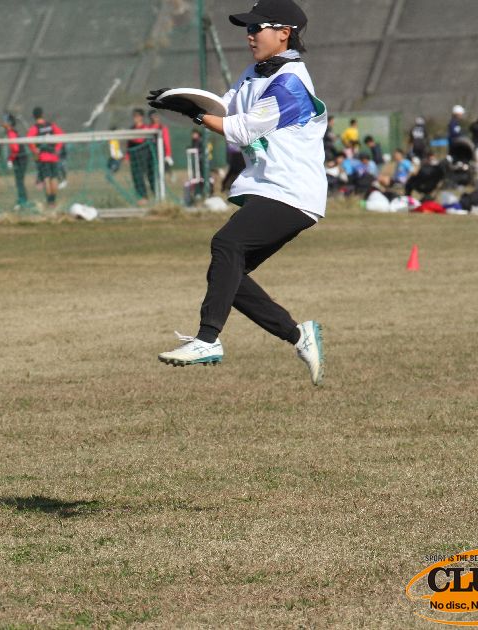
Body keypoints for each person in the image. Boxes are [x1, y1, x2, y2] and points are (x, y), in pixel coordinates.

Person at [148, 0, 326, 385]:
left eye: (257, 28)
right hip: (269, 188)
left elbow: (242, 129)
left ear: (284, 33)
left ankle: (207, 340)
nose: (249, 35)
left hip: (293, 191)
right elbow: (225, 111)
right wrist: (185, 102)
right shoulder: (252, 74)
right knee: (229, 274)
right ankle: (299, 335)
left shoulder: (291, 83)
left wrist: (195, 114)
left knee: (226, 244)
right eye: (248, 28)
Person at [26, 107, 64, 208]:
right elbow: (61, 135)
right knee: (54, 178)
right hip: (53, 156)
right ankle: (53, 200)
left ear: (34, 116)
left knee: (46, 179)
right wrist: (57, 148)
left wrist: (35, 150)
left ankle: (49, 202)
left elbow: (29, 140)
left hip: (43, 157)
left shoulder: (35, 128)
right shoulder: (51, 125)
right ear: (42, 114)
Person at [128, 108, 157, 203]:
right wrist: (127, 156)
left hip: (144, 155)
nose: (135, 118)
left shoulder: (146, 128)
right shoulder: (131, 129)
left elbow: (140, 140)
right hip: (134, 156)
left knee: (149, 175)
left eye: (137, 116)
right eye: (134, 116)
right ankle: (142, 196)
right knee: (136, 176)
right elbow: (129, 144)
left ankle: (155, 193)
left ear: (141, 117)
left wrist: (132, 136)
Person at [2, 113, 29, 209]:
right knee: (19, 181)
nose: (2, 123)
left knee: (19, 181)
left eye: (4, 121)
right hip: (21, 158)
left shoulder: (11, 133)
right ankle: (22, 200)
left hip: (20, 159)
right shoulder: (12, 132)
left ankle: (22, 201)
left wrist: (10, 159)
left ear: (9, 123)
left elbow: (15, 149)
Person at [149, 110, 174, 175]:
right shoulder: (148, 128)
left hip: (161, 152)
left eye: (156, 116)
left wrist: (168, 154)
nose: (155, 117)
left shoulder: (163, 128)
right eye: (153, 116)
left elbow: (167, 142)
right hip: (151, 152)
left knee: (162, 171)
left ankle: (169, 174)